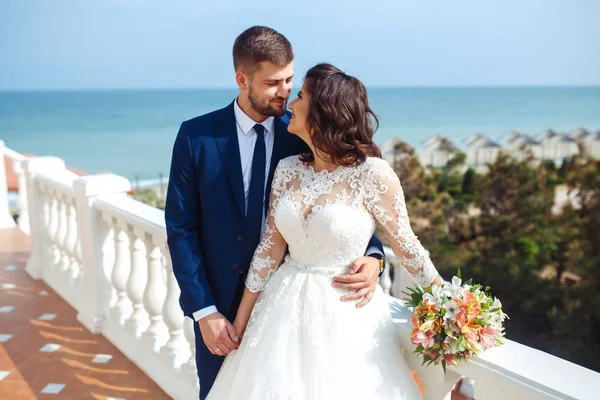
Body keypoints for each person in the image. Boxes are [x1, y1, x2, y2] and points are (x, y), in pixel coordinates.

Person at [165, 27, 385, 400]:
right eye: (273, 83)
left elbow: (342, 198)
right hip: (218, 310)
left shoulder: (302, 131)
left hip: (287, 311)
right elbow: (181, 227)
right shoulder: (196, 136)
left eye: (289, 80)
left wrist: (374, 255)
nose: (285, 91)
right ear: (242, 79)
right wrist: (204, 311)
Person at [205, 63, 445, 399]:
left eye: (300, 95)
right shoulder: (287, 170)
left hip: (345, 315)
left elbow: (407, 247)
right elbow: (269, 250)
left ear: (323, 110)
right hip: (280, 310)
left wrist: (450, 302)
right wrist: (241, 325)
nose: (290, 103)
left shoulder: (373, 174)